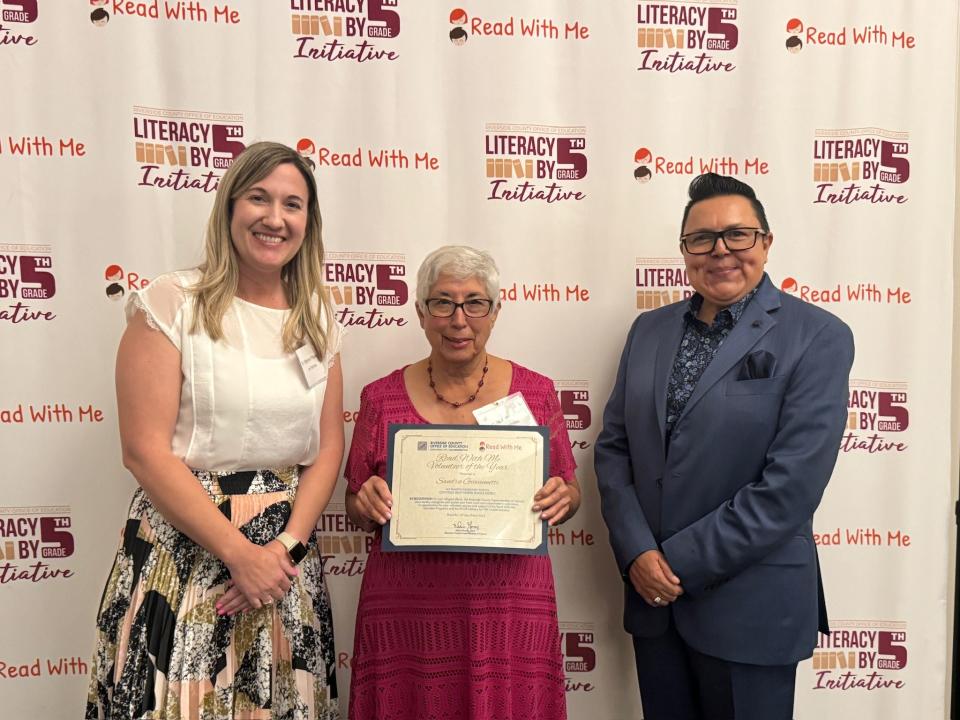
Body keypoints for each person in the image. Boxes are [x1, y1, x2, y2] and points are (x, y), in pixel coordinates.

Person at [85, 142, 343, 720]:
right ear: (229, 206)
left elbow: (327, 450)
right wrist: (237, 553)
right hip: (185, 557)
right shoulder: (173, 301)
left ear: (309, 221)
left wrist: (281, 550)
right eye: (259, 198)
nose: (275, 218)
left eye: (292, 204)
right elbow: (144, 451)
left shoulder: (318, 314)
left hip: (284, 569)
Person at [595, 173, 854, 720]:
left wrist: (673, 563)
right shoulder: (648, 330)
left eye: (737, 235)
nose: (720, 251)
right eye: (701, 239)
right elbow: (614, 451)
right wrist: (638, 554)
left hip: (751, 607)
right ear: (685, 251)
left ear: (766, 242)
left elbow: (790, 489)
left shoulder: (818, 336)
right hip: (653, 606)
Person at [344, 245, 580, 720]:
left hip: (508, 604)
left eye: (475, 303)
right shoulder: (379, 396)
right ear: (420, 313)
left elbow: (570, 490)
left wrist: (563, 498)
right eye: (442, 302)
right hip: (407, 607)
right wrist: (363, 500)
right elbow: (354, 498)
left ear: (495, 312)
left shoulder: (536, 392)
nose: (458, 319)